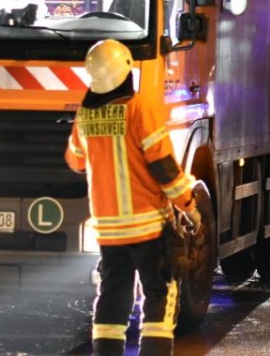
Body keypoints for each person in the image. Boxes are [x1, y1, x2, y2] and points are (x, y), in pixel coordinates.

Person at [66, 39, 202, 356]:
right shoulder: (139, 108)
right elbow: (165, 169)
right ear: (126, 70)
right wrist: (189, 207)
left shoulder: (85, 116)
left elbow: (74, 160)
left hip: (109, 232)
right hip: (148, 228)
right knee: (160, 296)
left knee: (113, 298)